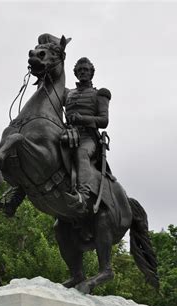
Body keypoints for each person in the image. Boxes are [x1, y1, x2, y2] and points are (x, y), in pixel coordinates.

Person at [64, 57, 111, 211]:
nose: (83, 72)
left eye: (86, 70)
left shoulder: (100, 94)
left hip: (87, 137)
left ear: (92, 73)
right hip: (67, 134)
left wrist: (82, 119)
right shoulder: (67, 94)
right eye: (80, 70)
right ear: (75, 73)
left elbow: (104, 121)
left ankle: (82, 196)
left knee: (81, 153)